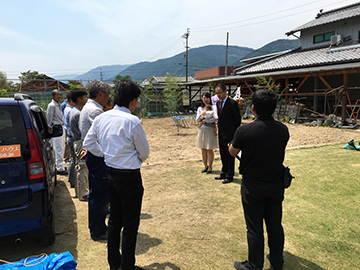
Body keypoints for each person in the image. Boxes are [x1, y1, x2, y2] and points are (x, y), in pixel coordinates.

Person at [83, 80, 149, 270]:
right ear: (133, 101)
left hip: (109, 173)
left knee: (114, 222)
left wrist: (105, 153)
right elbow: (144, 152)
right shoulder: (132, 121)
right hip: (128, 177)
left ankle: (115, 264)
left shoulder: (102, 117)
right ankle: (127, 266)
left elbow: (89, 142)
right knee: (130, 224)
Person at [228, 89, 290, 270]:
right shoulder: (282, 129)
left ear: (253, 108)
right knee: (275, 225)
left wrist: (231, 144)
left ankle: (254, 264)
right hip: (276, 183)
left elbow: (232, 152)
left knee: (254, 227)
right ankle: (277, 261)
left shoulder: (245, 130)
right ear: (274, 108)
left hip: (253, 185)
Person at [79, 80, 110, 241]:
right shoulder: (95, 112)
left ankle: (98, 227)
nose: (108, 98)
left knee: (97, 194)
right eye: (108, 95)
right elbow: (100, 138)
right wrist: (104, 154)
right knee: (100, 195)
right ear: (100, 94)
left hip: (93, 155)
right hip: (97, 157)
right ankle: (98, 230)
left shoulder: (89, 108)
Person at [214, 83, 241, 184]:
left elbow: (237, 120)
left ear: (225, 91)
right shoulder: (218, 103)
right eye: (216, 93)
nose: (218, 95)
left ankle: (230, 175)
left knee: (230, 154)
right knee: (222, 153)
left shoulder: (232, 103)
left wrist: (235, 134)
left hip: (230, 133)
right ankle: (224, 172)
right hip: (221, 132)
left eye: (220, 92)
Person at [69, 89, 88, 201]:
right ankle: (83, 193)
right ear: (79, 99)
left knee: (78, 167)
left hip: (76, 142)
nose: (86, 99)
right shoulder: (78, 114)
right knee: (82, 168)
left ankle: (79, 191)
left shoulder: (73, 111)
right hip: (80, 142)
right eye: (85, 97)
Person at [195, 92, 218, 174]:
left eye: (207, 98)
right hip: (202, 130)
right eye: (204, 98)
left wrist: (204, 120)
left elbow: (215, 119)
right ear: (202, 99)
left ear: (210, 98)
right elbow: (197, 120)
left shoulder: (214, 107)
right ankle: (205, 166)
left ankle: (210, 167)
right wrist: (202, 117)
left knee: (209, 149)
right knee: (203, 149)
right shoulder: (200, 109)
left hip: (210, 130)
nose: (206, 99)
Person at [46, 89, 67, 175]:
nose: (59, 96)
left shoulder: (58, 105)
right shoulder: (52, 105)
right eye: (57, 94)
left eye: (60, 94)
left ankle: (60, 164)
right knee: (58, 147)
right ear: (53, 96)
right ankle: (59, 167)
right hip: (56, 128)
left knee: (62, 147)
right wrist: (50, 129)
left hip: (61, 127)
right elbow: (49, 119)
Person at [63, 91, 75, 187]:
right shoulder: (71, 111)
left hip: (70, 136)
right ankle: (73, 180)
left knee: (72, 159)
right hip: (73, 136)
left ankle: (72, 180)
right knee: (74, 160)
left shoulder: (67, 109)